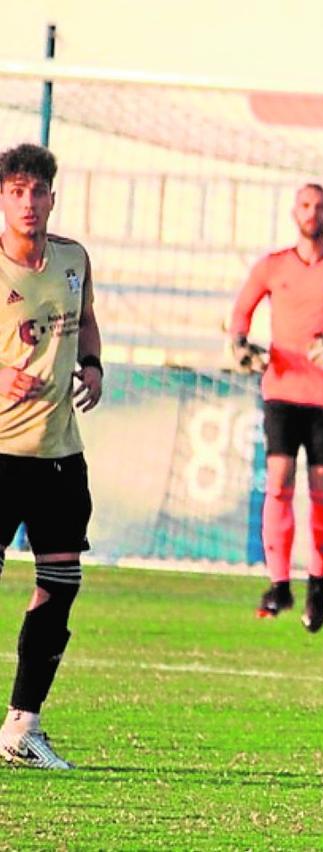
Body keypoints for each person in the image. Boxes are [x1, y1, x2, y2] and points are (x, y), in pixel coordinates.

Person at [229, 183, 323, 633]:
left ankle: (317, 583)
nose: (312, 213)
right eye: (306, 205)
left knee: (322, 486)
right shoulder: (273, 267)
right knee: (278, 480)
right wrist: (240, 346)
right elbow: (239, 316)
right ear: (295, 212)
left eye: (320, 206)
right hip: (281, 390)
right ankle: (278, 583)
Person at [0, 143, 103, 770]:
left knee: (59, 587)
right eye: (15, 191)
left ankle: (21, 727)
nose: (28, 203)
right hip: (0, 453)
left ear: (52, 198)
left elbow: (86, 319)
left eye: (36, 191)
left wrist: (92, 363)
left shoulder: (73, 258)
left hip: (60, 455)